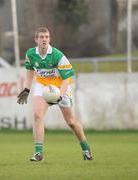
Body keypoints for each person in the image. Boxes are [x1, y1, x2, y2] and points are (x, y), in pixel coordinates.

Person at [17, 27, 92, 161]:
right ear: (36, 39)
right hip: (42, 85)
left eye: (46, 37)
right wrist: (27, 89)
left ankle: (85, 148)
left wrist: (60, 96)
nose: (44, 39)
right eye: (41, 37)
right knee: (37, 115)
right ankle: (38, 153)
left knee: (71, 122)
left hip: (59, 87)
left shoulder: (58, 55)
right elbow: (30, 71)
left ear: (49, 39)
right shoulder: (30, 53)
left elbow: (67, 79)